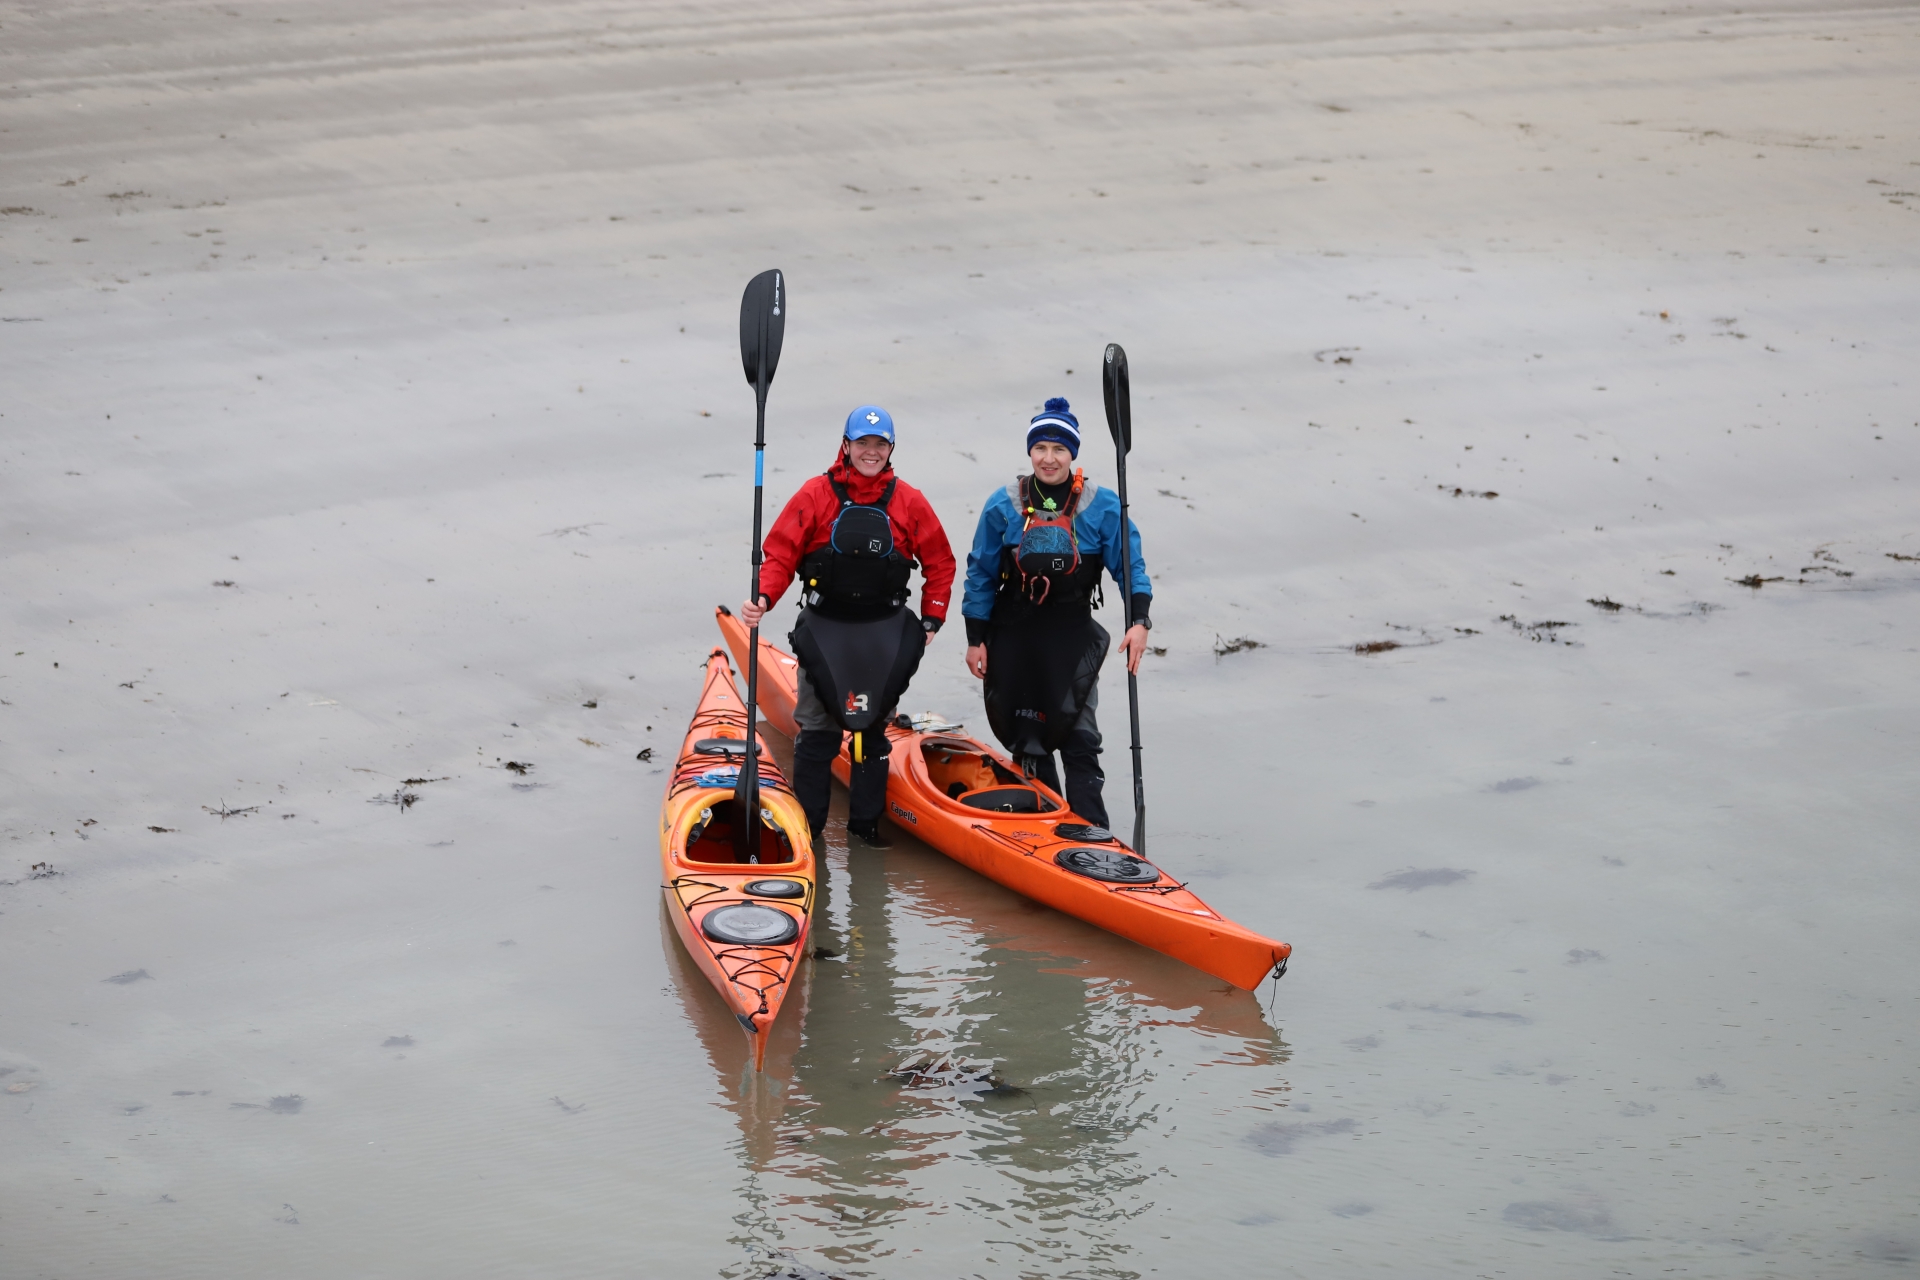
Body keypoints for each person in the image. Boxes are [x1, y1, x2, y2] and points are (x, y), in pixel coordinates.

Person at [741, 406, 955, 849]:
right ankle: (809, 832)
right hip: (826, 629)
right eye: (863, 444)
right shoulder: (816, 494)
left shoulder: (908, 501)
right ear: (846, 445)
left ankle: (865, 830)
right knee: (817, 731)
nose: (870, 452)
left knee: (872, 734)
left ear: (890, 449)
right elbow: (780, 553)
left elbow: (940, 562)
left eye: (880, 445)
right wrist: (763, 596)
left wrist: (933, 616)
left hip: (883, 631)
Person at [960, 397, 1150, 829]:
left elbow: (1130, 567)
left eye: (1059, 449)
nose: (1049, 458)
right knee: (1030, 742)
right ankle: (1043, 832)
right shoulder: (1003, 503)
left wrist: (1139, 622)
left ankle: (1090, 835)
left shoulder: (1102, 507)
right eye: (1041, 448)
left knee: (1081, 739)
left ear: (1073, 454)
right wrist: (975, 639)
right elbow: (981, 573)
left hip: (1071, 637)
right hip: (1013, 637)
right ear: (1030, 452)